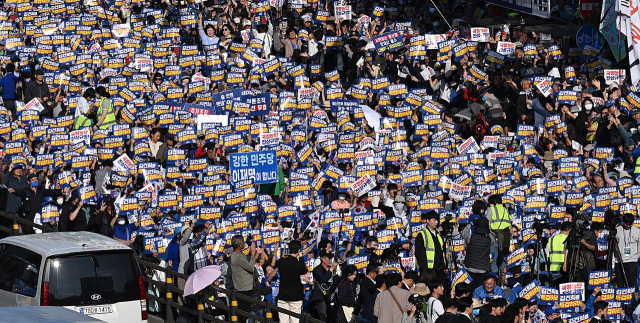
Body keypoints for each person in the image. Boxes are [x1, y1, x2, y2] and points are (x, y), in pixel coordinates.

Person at [230, 234, 263, 323]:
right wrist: (252, 254)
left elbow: (248, 264)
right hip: (244, 289)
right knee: (243, 314)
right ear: (240, 245)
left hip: (245, 287)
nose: (245, 244)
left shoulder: (238, 254)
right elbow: (251, 267)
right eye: (243, 242)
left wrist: (257, 254)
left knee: (244, 312)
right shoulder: (238, 256)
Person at [276, 240, 308, 323]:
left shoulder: (281, 262)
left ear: (289, 250)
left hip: (283, 294)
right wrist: (301, 257)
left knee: (283, 320)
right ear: (298, 251)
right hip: (295, 296)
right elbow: (304, 271)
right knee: (295, 320)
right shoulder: (299, 264)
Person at [416, 211, 447, 284]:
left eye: (436, 220)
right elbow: (419, 254)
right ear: (427, 220)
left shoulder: (438, 234)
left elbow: (442, 251)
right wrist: (425, 269)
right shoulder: (422, 234)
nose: (436, 222)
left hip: (440, 269)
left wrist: (445, 265)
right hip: (428, 271)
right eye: (433, 220)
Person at [464, 217, 493, 290]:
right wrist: (488, 228)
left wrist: (470, 224)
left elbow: (464, 233)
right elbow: (493, 238)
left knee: (470, 289)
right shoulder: (488, 240)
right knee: (479, 290)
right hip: (482, 269)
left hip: (470, 267)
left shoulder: (471, 237)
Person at [310, 250, 338, 320]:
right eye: (329, 259)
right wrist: (331, 269)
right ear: (323, 259)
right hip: (321, 297)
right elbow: (323, 279)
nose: (330, 261)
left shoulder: (330, 269)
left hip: (329, 297)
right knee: (322, 316)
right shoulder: (317, 270)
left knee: (330, 316)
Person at [615, 213, 640, 287]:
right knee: (620, 284)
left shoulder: (637, 231)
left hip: (632, 260)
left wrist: (638, 255)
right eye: (626, 224)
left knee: (632, 283)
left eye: (630, 224)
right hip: (619, 261)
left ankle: (633, 298)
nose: (628, 226)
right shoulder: (617, 230)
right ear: (623, 221)